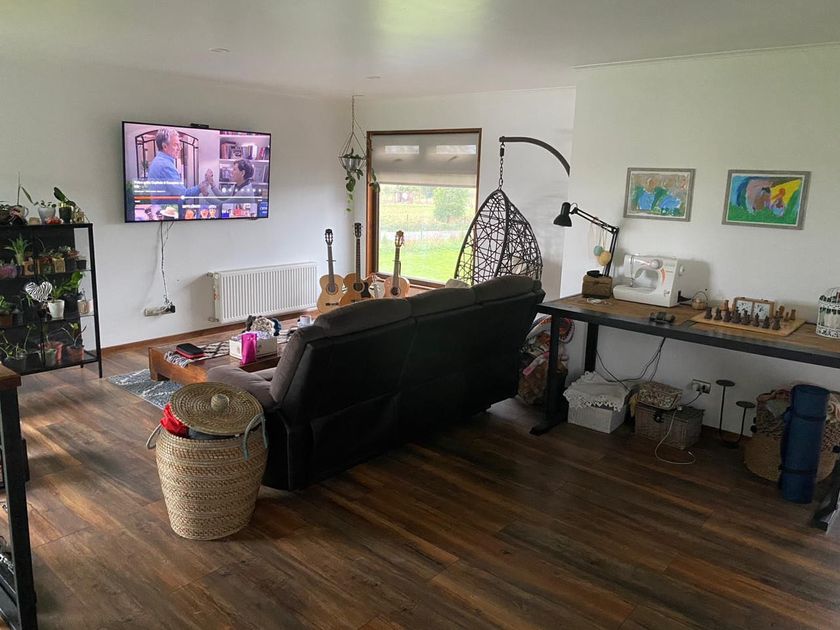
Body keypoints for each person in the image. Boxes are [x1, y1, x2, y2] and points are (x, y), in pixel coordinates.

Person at [146, 128, 211, 216]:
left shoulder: (159, 161)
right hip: (168, 215)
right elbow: (182, 194)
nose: (179, 148)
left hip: (165, 212)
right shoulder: (165, 165)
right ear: (165, 146)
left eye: (179, 145)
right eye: (176, 145)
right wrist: (200, 187)